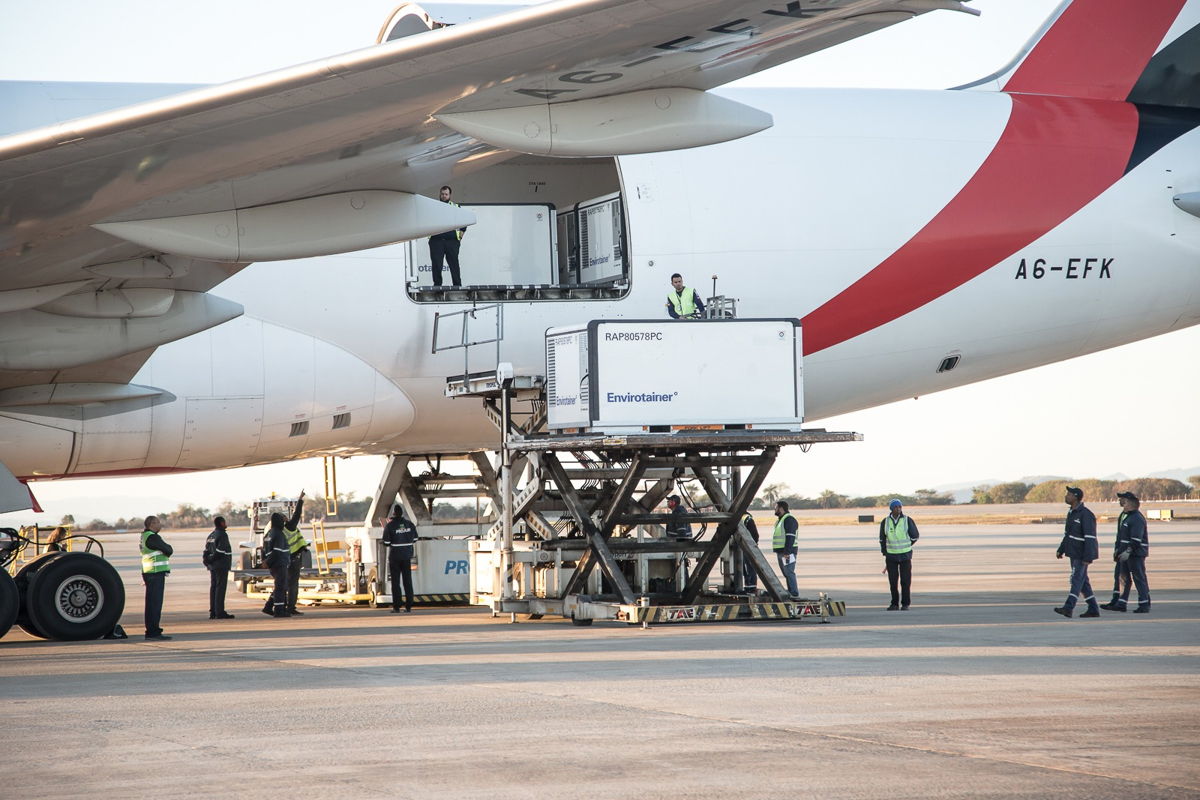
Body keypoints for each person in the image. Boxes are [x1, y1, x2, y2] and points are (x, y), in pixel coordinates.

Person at [1054, 486, 1101, 618]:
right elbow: (1068, 534)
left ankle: (1069, 607)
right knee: (1083, 582)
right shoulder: (1072, 513)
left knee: (1076, 580)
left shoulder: (1086, 514)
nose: (1066, 496)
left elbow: (1090, 538)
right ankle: (1093, 608)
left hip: (1082, 554)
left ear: (1075, 497)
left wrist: (1088, 556)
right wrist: (1061, 549)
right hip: (1073, 553)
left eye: (1068, 494)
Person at [1101, 491, 1151, 613]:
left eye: (1122, 499)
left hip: (1135, 554)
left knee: (1139, 577)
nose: (1120, 501)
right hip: (1123, 553)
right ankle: (1120, 603)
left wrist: (1128, 551)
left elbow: (1136, 539)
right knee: (1123, 578)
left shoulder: (1136, 518)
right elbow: (1120, 536)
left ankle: (1144, 604)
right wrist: (1117, 550)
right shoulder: (1124, 515)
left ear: (1128, 502)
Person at [261, 492, 303, 618]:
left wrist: (265, 561)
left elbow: (265, 549)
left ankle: (269, 606)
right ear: (282, 521)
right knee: (286, 585)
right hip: (286, 561)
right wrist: (300, 501)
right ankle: (284, 608)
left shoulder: (269, 532)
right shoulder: (286, 529)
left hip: (277, 562)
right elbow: (296, 516)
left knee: (280, 585)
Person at [879, 499, 919, 610]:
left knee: (905, 581)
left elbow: (915, 536)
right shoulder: (885, 521)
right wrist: (885, 552)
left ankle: (905, 604)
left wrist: (907, 546)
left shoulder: (907, 520)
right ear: (891, 509)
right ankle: (894, 604)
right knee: (893, 582)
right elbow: (882, 539)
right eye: (896, 507)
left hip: (905, 556)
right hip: (891, 556)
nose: (898, 509)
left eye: (900, 507)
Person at [140, 515, 173, 640]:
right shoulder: (152, 537)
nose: (160, 525)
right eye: (158, 522)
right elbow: (168, 549)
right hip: (155, 573)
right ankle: (153, 631)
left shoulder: (144, 536)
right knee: (155, 604)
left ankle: (152, 630)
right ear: (152, 524)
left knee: (151, 604)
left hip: (149, 572)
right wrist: (168, 549)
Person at [381, 504, 419, 613]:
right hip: (407, 556)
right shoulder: (410, 524)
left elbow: (386, 542)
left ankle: (396, 606)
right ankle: (408, 606)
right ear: (402, 513)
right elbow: (415, 538)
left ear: (393, 513)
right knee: (408, 581)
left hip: (395, 557)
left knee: (396, 582)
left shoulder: (390, 526)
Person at [428, 185, 467, 287]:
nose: (444, 196)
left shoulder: (455, 207)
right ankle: (437, 286)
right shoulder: (433, 207)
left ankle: (457, 285)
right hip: (436, 241)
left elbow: (465, 219)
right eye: (442, 194)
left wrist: (462, 233)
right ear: (439, 194)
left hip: (452, 241)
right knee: (437, 265)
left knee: (454, 264)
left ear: (450, 195)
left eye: (446, 194)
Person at [203, 516, 235, 620]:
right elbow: (220, 551)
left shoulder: (211, 535)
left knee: (214, 588)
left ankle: (213, 611)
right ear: (221, 523)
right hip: (221, 565)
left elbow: (206, 550)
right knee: (220, 588)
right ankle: (220, 612)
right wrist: (212, 559)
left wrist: (207, 560)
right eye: (225, 522)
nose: (226, 524)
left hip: (213, 566)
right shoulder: (222, 534)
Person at [285, 495, 310, 616]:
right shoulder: (290, 527)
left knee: (283, 585)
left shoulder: (276, 531)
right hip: (293, 559)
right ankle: (290, 607)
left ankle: (281, 606)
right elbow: (297, 514)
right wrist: (300, 500)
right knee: (293, 585)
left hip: (283, 561)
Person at [772, 501, 799, 598]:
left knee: (789, 571)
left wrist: (787, 552)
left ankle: (794, 592)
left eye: (776, 507)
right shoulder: (781, 520)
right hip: (781, 551)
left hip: (787, 552)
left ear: (781, 508)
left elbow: (790, 536)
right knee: (786, 572)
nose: (774, 509)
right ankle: (791, 591)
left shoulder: (789, 520)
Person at [740, 511, 760, 594]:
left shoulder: (747, 519)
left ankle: (752, 587)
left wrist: (751, 546)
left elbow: (755, 534)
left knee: (750, 567)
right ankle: (748, 586)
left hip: (747, 547)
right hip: (741, 547)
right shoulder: (742, 518)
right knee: (744, 568)